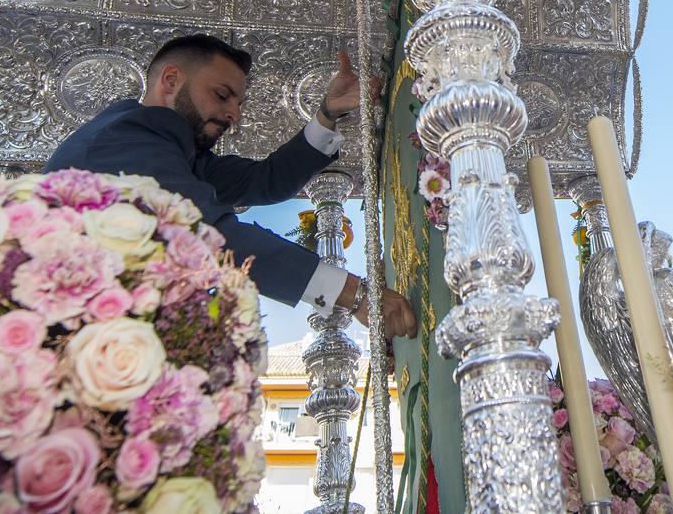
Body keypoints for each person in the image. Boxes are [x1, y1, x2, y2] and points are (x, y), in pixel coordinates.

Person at [46, 33, 417, 340]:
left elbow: (265, 182)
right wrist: (354, 296)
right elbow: (206, 235)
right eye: (222, 96)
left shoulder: (174, 154)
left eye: (238, 103)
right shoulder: (129, 136)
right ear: (171, 81)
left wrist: (328, 114)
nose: (233, 115)